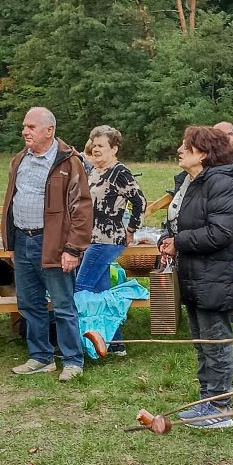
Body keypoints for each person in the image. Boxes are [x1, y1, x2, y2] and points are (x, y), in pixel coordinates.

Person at [158, 126, 233, 429]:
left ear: (204, 154)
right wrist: (166, 238)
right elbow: (176, 219)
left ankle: (220, 409)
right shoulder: (192, 182)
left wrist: (179, 241)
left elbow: (221, 232)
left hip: (216, 275)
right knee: (201, 341)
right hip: (195, 274)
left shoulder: (221, 184)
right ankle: (205, 402)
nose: (180, 150)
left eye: (187, 146)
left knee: (216, 342)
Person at [2, 107, 92, 381]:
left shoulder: (68, 162)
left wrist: (73, 248)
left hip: (53, 242)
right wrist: (12, 243)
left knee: (63, 305)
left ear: (49, 131)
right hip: (23, 240)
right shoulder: (20, 160)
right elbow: (12, 200)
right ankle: (40, 357)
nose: (25, 131)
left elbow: (82, 208)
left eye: (31, 127)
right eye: (24, 126)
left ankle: (73, 361)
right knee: (29, 304)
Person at [74, 125, 147, 357]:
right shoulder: (94, 171)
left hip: (107, 239)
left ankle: (82, 341)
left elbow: (140, 202)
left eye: (101, 146)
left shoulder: (119, 172)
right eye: (94, 145)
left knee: (80, 287)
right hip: (90, 238)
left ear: (114, 149)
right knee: (100, 291)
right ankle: (115, 344)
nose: (96, 149)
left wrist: (131, 228)